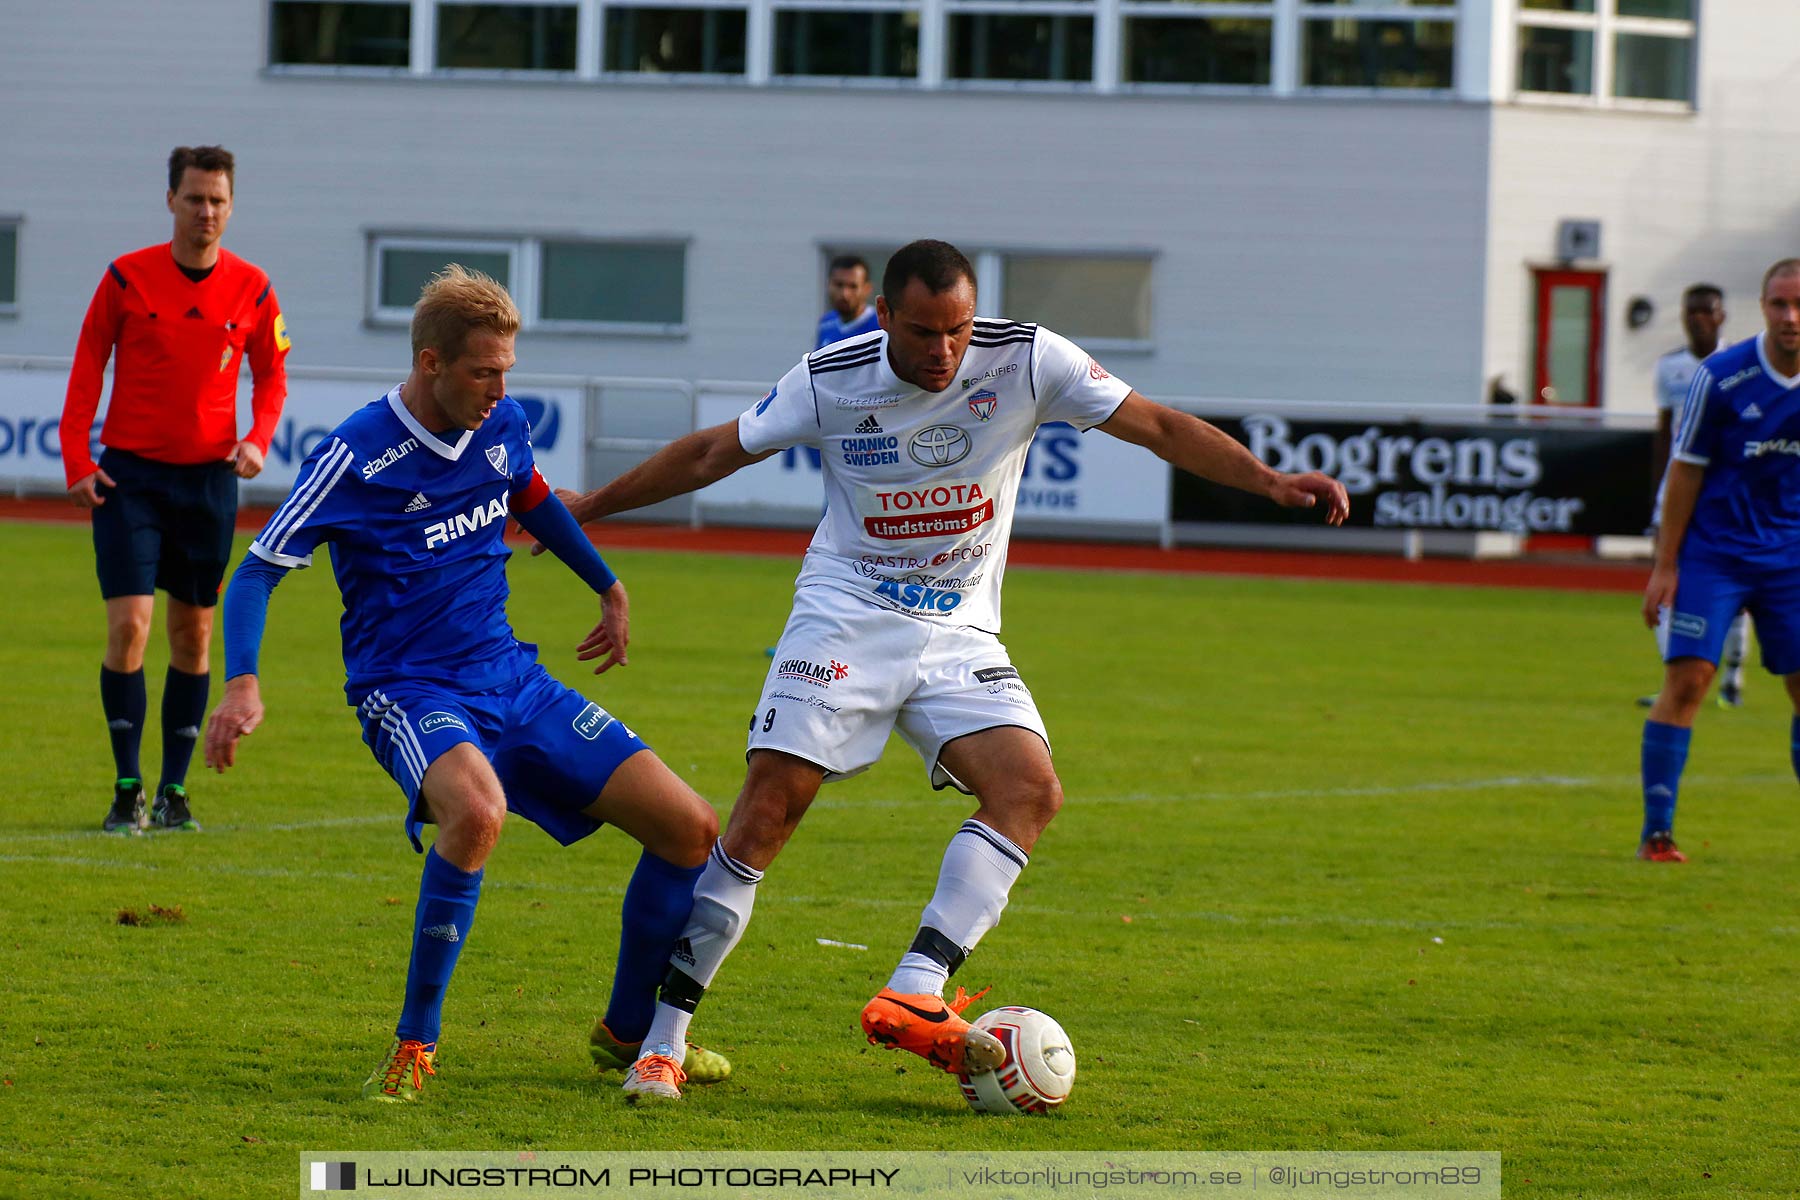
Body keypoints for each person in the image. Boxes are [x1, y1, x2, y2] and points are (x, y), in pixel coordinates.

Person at [554, 239, 1349, 1099]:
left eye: (958, 331)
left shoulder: (1028, 358)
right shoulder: (831, 378)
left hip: (960, 630)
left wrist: (1267, 482)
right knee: (767, 813)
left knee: (1030, 791)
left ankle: (915, 990)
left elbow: (1154, 424)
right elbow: (715, 453)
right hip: (844, 614)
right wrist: (590, 507)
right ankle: (663, 1042)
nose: (944, 352)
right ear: (886, 316)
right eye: (925, 332)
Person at [202, 266, 728, 1101]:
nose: (500, 388)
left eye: (507, 370)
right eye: (484, 371)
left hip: (513, 677)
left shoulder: (502, 422)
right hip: (409, 689)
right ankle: (416, 1043)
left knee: (691, 829)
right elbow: (259, 571)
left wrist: (606, 583)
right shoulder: (357, 453)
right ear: (431, 361)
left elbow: (531, 493)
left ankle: (628, 1033)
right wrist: (241, 682)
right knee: (477, 815)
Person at [60, 145, 291, 835]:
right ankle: (127, 785)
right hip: (129, 478)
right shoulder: (126, 278)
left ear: (231, 204)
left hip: (209, 484)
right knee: (130, 626)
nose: (207, 211)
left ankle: (174, 794)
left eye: (218, 200)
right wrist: (77, 456)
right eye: (194, 198)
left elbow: (273, 376)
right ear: (171, 201)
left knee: (194, 637)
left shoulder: (252, 287)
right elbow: (88, 361)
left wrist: (258, 438)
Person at [1639, 258, 1800, 864]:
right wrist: (1665, 565)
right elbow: (1685, 471)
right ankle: (1658, 833)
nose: (1791, 316)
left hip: (1790, 557)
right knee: (1688, 680)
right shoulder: (1722, 377)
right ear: (1762, 307)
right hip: (1716, 554)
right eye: (1780, 303)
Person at [1639, 284, 1750, 709]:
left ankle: (1732, 681)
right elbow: (1664, 430)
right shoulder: (1670, 368)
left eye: (1707, 311)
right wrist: (1657, 488)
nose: (1698, 318)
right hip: (1678, 486)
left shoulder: (1740, 365)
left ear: (1722, 316)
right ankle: (1675, 682)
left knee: (1739, 584)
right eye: (1692, 311)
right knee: (1664, 576)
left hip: (1725, 492)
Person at [816, 254, 881, 349]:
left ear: (867, 289)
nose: (844, 294)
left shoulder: (881, 326)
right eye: (839, 285)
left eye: (853, 286)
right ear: (828, 285)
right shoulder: (826, 323)